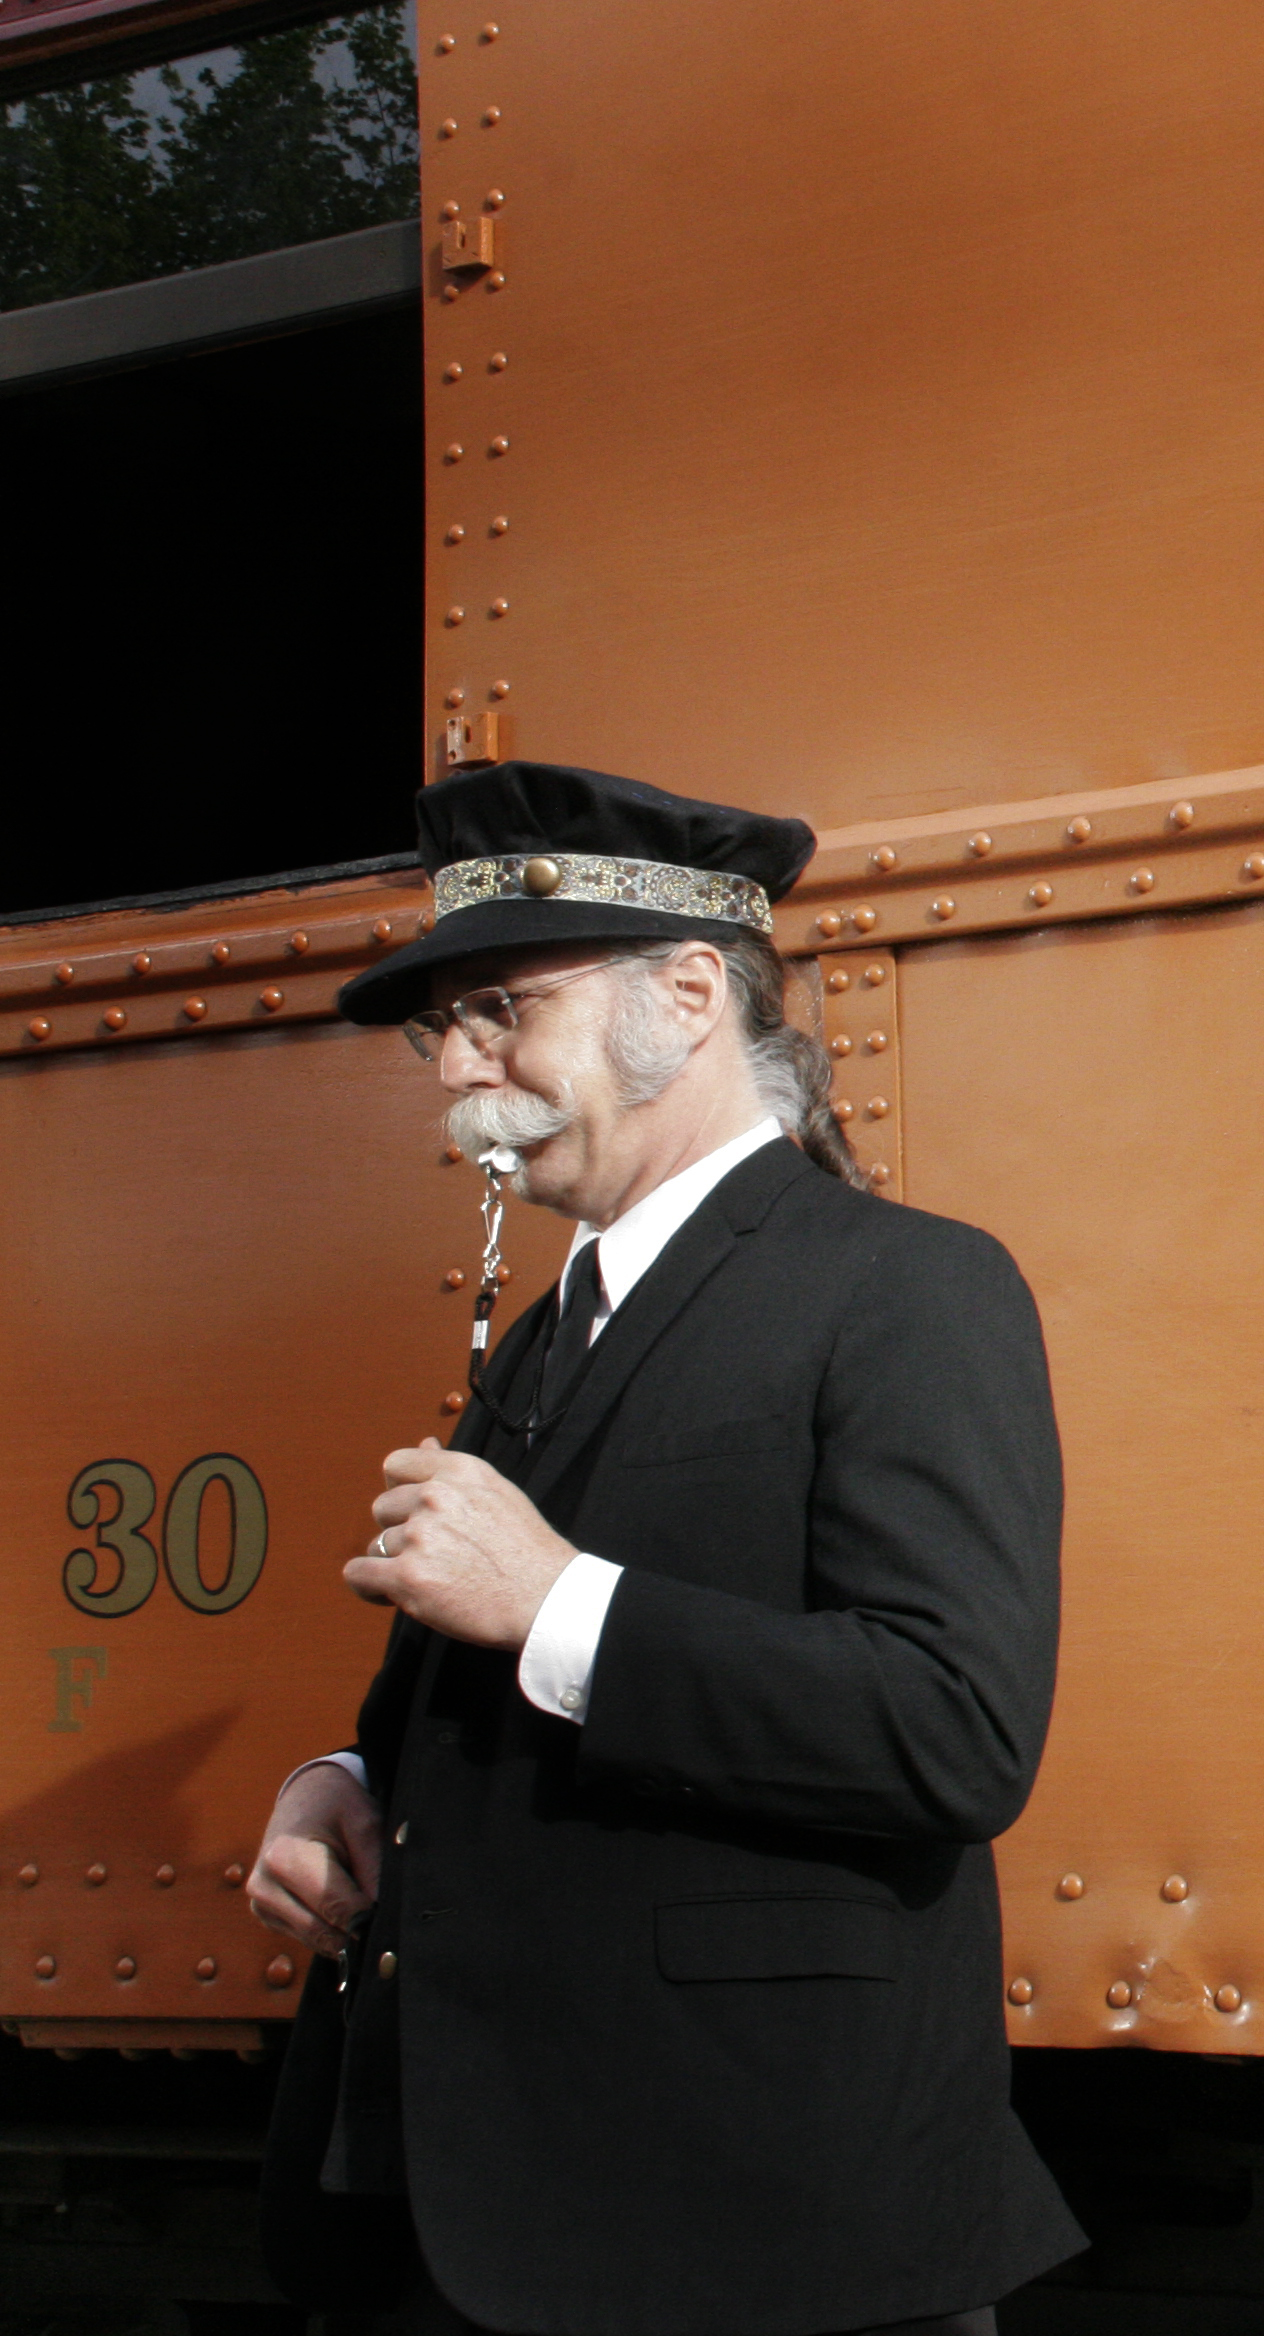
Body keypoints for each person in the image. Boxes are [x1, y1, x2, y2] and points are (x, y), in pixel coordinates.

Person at [249, 762, 1084, 2334]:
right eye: (449, 1029)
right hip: (482, 2222)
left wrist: (558, 1597)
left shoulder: (908, 1288)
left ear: (690, 992)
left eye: (501, 1007)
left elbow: (956, 1730)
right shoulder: (550, 1330)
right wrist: (349, 1787)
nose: (460, 1073)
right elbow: (495, 1673)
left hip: (753, 2238)